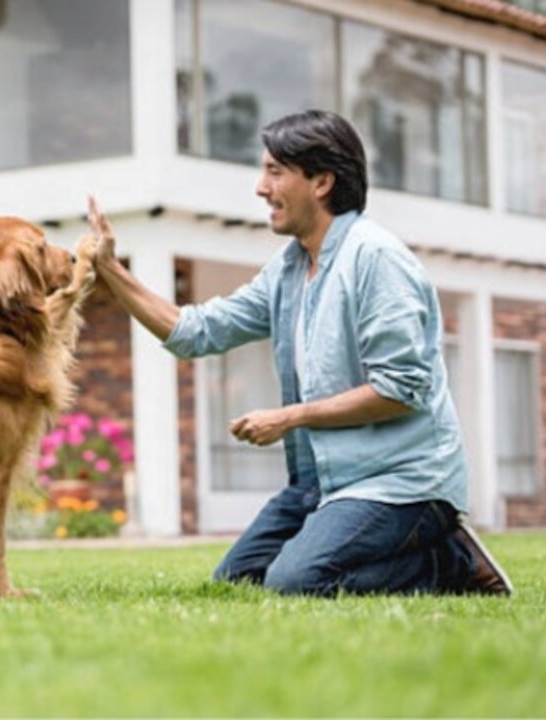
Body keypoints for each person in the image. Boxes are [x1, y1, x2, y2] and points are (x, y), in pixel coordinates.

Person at [87, 110, 512, 596]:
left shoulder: (376, 260)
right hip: (322, 484)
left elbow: (400, 391)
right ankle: (412, 552)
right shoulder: (288, 271)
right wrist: (111, 270)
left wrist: (290, 417)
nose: (260, 188)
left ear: (322, 182)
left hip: (401, 483)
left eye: (274, 171)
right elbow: (196, 331)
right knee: (238, 582)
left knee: (296, 582)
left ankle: (448, 561)